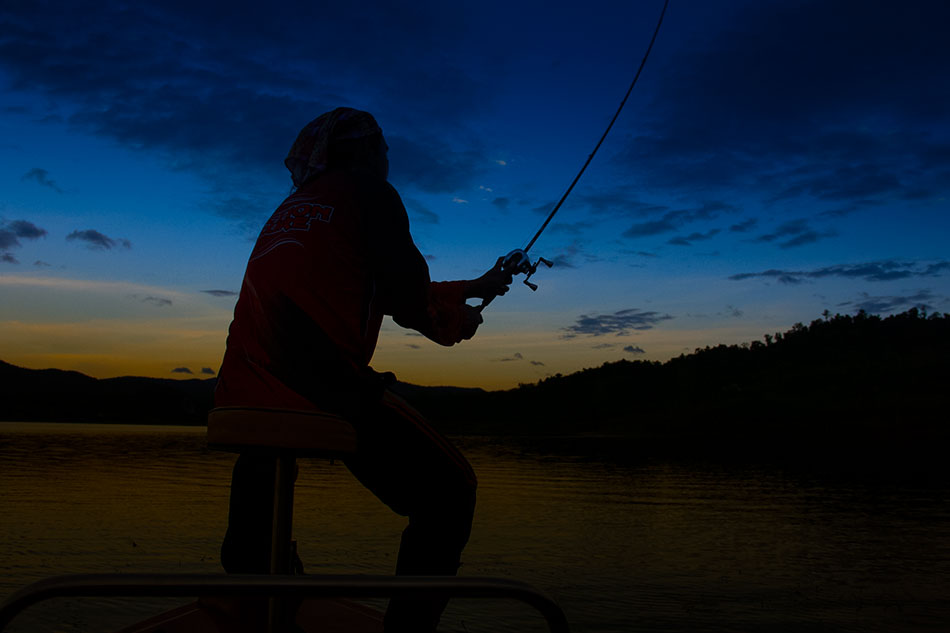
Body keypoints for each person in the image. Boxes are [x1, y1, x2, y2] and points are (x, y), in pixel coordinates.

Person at [214, 107, 511, 632]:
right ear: (367, 152)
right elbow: (407, 300)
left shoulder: (296, 207)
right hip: (318, 383)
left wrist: (473, 287)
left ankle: (249, 585)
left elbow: (378, 279)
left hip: (243, 389)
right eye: (385, 150)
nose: (389, 159)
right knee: (452, 492)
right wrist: (455, 323)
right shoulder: (372, 194)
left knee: (263, 464)